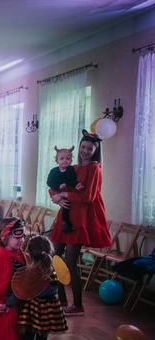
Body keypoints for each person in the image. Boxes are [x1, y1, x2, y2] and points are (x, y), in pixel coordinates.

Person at [49, 130, 112, 316]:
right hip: (66, 215)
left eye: (89, 148)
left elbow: (88, 197)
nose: (85, 151)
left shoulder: (94, 168)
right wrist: (56, 198)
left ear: (95, 150)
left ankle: (78, 305)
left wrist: (64, 194)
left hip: (80, 219)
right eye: (83, 147)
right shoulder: (73, 168)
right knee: (54, 257)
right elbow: (54, 185)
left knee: (70, 262)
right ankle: (61, 300)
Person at [11, 235, 68, 340]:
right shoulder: (54, 270)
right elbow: (55, 288)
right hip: (49, 310)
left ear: (30, 253)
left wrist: (7, 303)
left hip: (34, 309)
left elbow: (22, 292)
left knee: (28, 338)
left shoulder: (32, 272)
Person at [46, 146, 83, 233]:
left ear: (71, 160)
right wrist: (58, 186)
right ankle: (65, 222)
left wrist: (76, 185)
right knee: (65, 205)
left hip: (67, 191)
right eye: (62, 159)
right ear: (57, 160)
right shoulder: (54, 171)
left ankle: (65, 223)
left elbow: (73, 180)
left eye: (68, 159)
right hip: (56, 190)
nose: (65, 160)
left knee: (67, 205)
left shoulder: (71, 169)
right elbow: (49, 182)